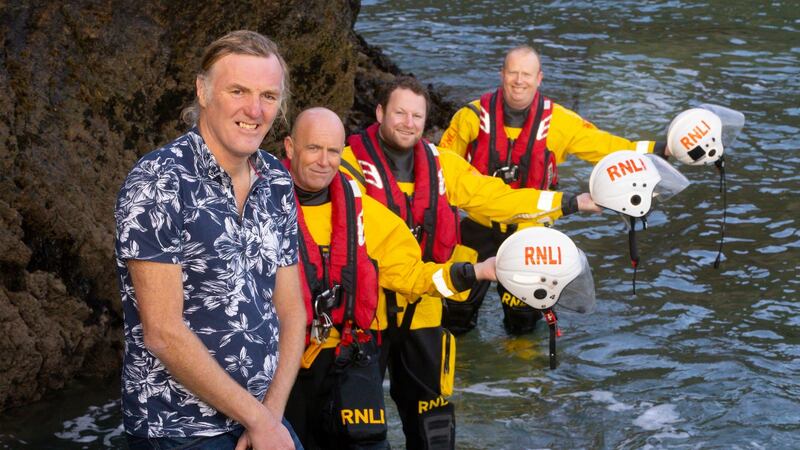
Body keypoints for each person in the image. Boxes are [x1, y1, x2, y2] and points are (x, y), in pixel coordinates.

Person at [340, 76, 601, 450]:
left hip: (425, 311)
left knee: (435, 428)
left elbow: (496, 198)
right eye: (399, 112)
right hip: (367, 314)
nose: (408, 122)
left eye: (417, 115)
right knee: (357, 433)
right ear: (380, 112)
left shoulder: (442, 165)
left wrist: (570, 201)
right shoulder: (346, 167)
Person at [114, 30, 305, 450]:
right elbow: (163, 332)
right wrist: (260, 421)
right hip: (178, 429)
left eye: (269, 96)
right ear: (203, 91)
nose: (254, 110)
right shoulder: (159, 182)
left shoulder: (275, 179)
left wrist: (269, 419)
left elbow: (293, 311)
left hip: (262, 417)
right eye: (238, 90)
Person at [282, 107, 497, 450]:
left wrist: (475, 272)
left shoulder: (364, 211)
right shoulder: (258, 206)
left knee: (368, 442)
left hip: (350, 356)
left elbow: (411, 275)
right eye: (313, 149)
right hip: (286, 361)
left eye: (333, 151)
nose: (324, 161)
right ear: (291, 148)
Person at [438, 44, 671, 335]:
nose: (519, 80)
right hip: (476, 227)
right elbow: (439, 169)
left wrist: (661, 149)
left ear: (539, 78)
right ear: (502, 75)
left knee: (523, 321)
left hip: (531, 231)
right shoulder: (469, 117)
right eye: (513, 72)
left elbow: (609, 147)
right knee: (454, 316)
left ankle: (520, 375)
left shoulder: (560, 121)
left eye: (527, 74)